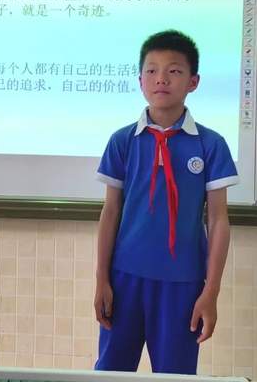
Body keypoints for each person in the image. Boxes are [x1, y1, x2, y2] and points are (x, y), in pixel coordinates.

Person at [93, 30, 238, 374]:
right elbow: (110, 211)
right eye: (151, 70)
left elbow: (218, 220)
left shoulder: (210, 144)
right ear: (140, 80)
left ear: (193, 81)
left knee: (176, 375)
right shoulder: (123, 141)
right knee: (110, 372)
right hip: (125, 279)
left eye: (173, 71)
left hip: (183, 284)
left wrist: (211, 291)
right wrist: (101, 278)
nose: (161, 79)